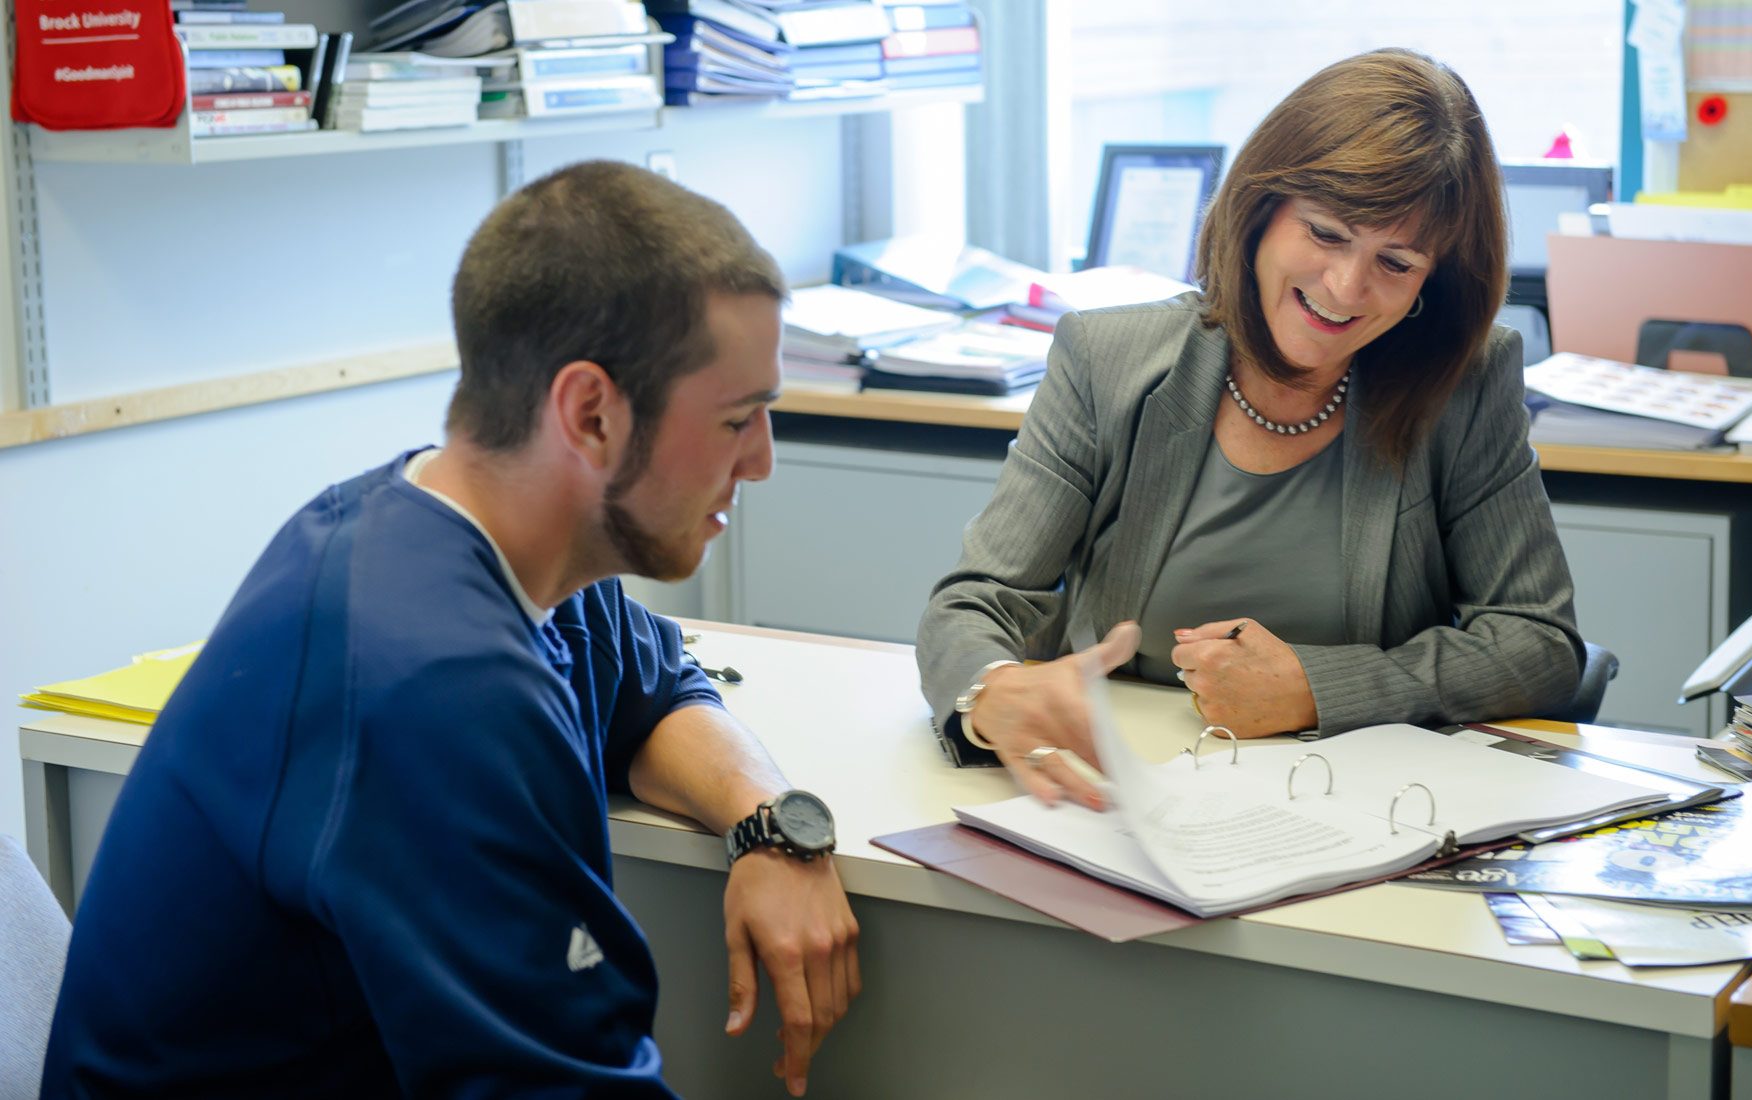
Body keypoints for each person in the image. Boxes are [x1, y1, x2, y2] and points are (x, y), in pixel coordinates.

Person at [43, 161, 859, 1099]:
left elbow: (657, 692)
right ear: (590, 413)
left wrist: (769, 830)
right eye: (736, 420)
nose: (761, 462)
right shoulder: (435, 678)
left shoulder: (487, 539)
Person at [916, 48, 1583, 807]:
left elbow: (1540, 644)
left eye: (1395, 263)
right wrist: (993, 692)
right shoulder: (1106, 359)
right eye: (1328, 234)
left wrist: (1317, 688)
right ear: (1261, 210)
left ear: (1435, 279)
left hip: (1362, 802)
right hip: (1123, 793)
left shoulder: (1463, 382)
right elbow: (976, 603)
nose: (1345, 288)